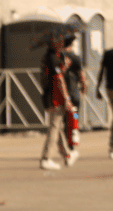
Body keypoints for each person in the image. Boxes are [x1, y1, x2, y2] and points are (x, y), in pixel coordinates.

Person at [39, 35, 75, 170]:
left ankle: (67, 155)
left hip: (48, 96)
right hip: (55, 97)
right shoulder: (54, 57)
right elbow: (59, 79)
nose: (62, 43)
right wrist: (67, 99)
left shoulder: (49, 56)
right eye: (59, 41)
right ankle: (46, 158)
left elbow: (54, 75)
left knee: (58, 127)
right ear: (53, 42)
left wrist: (64, 67)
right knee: (54, 127)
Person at [63, 34, 86, 153]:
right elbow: (82, 76)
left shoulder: (59, 57)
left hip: (62, 93)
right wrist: (83, 87)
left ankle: (69, 142)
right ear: (71, 44)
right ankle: (76, 128)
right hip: (74, 93)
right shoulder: (76, 58)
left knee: (64, 119)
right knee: (76, 113)